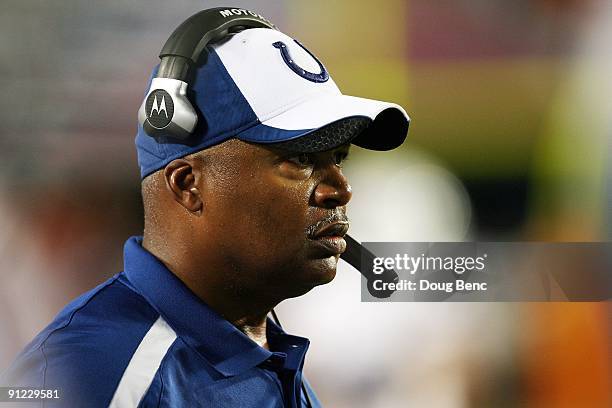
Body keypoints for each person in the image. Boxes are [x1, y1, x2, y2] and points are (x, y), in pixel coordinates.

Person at [1, 8, 409, 407]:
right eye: (301, 159)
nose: (341, 189)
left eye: (338, 158)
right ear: (187, 183)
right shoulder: (89, 373)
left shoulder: (264, 352)